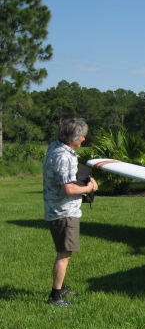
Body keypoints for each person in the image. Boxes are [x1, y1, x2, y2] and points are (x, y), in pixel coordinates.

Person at [43, 118, 98, 307]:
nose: (84, 139)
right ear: (74, 137)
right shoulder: (64, 156)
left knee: (65, 252)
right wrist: (89, 188)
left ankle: (62, 287)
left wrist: (87, 179)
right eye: (82, 136)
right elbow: (68, 189)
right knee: (64, 254)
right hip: (63, 212)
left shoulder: (55, 147)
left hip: (57, 209)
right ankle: (55, 297)